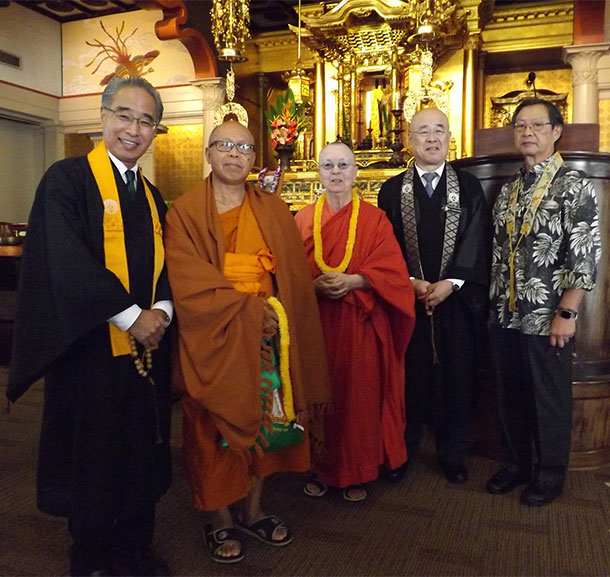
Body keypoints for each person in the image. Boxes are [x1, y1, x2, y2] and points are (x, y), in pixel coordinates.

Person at [6, 76, 173, 576]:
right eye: (125, 115)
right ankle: (94, 556)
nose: (134, 128)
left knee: (139, 445)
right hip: (90, 351)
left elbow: (168, 266)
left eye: (146, 121)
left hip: (147, 350)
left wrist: (161, 312)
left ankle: (135, 548)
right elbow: (66, 261)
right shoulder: (67, 180)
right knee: (95, 450)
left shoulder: (151, 195)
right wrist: (131, 316)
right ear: (102, 117)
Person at [164, 120, 331, 564]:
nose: (234, 154)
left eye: (244, 147)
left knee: (266, 421)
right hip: (214, 335)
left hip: (269, 334)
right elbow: (189, 281)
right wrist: (251, 314)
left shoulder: (273, 209)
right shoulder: (185, 211)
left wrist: (275, 314)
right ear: (209, 152)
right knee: (210, 425)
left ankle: (254, 510)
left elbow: (292, 276)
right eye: (225, 145)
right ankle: (220, 520)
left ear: (255, 158)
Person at [486, 98, 601, 506]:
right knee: (511, 393)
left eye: (537, 125)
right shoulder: (510, 189)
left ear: (556, 132)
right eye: (520, 126)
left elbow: (585, 254)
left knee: (548, 397)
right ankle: (517, 464)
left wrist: (567, 312)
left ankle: (550, 473)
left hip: (548, 315)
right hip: (506, 312)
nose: (527, 132)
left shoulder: (574, 185)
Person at [294, 142, 415, 502]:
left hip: (359, 321)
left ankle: (356, 471)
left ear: (355, 172)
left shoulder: (375, 219)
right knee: (319, 395)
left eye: (343, 165)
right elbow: (286, 270)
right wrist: (312, 285)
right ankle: (318, 468)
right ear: (319, 172)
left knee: (356, 398)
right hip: (316, 323)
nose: (335, 172)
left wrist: (356, 280)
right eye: (328, 165)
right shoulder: (302, 218)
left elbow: (393, 270)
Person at [378, 107, 491, 484]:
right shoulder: (392, 190)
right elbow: (385, 246)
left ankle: (452, 454)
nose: (431, 138)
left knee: (456, 375)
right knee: (409, 378)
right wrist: (408, 281)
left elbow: (477, 239)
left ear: (448, 137)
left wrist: (452, 283)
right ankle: (402, 450)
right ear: (410, 139)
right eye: (423, 131)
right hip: (407, 299)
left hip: (456, 302)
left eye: (439, 130)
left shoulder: (469, 186)